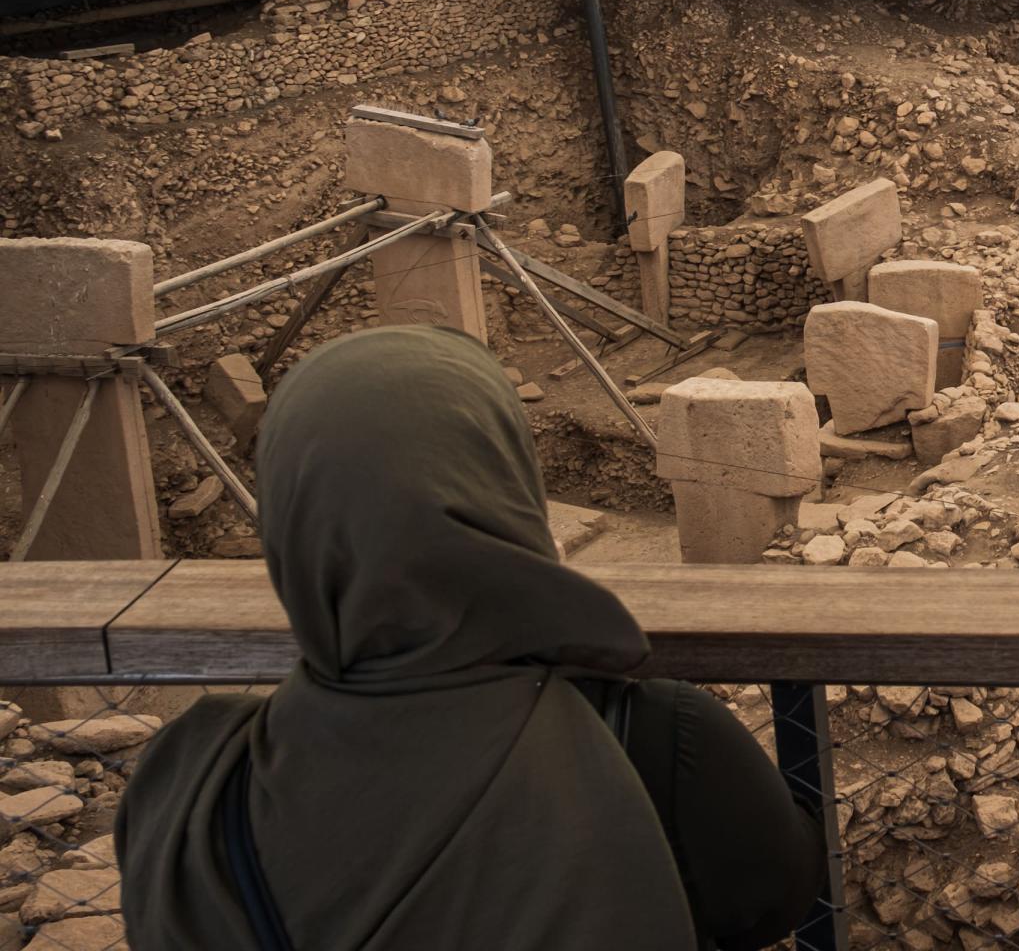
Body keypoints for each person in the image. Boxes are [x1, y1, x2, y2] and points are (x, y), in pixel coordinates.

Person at [117, 324, 820, 951]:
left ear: (289, 523)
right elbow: (773, 906)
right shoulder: (659, 741)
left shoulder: (189, 788)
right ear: (506, 485)